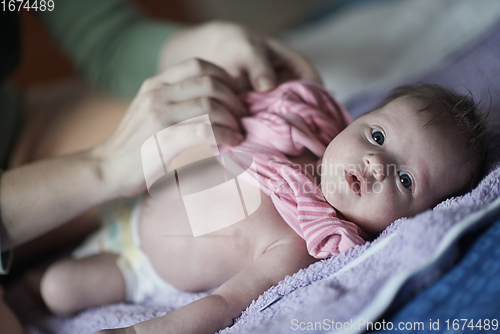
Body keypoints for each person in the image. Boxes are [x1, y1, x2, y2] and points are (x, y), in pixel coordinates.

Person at [38, 59, 486, 334]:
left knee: (56, 287)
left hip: (138, 266)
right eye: (376, 134)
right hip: (130, 198)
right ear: (355, 120)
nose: (375, 163)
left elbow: (225, 303)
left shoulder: (300, 241)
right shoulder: (294, 136)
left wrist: (139, 333)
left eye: (405, 181)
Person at [0, 2, 320, 333]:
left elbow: (109, 40)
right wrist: (103, 167)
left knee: (214, 124)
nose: (374, 163)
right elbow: (224, 304)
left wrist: (211, 46)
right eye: (376, 136)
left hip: (24, 133)